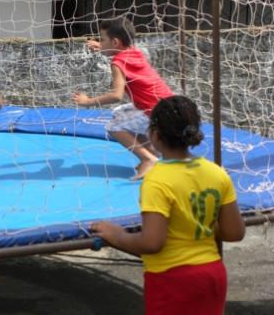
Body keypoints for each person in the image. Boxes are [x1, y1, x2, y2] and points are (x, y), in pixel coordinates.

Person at [91, 95, 245, 315]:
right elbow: (234, 232)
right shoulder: (216, 173)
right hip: (212, 274)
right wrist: (193, 227)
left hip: (172, 279)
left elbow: (152, 242)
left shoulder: (158, 180)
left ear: (153, 135)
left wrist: (116, 235)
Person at [72, 17, 173, 179]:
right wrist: (102, 47)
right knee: (119, 112)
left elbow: (116, 95)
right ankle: (152, 151)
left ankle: (148, 159)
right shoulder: (133, 51)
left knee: (114, 127)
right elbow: (118, 49)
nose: (100, 42)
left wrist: (88, 101)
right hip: (167, 105)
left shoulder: (117, 63)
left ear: (115, 42)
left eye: (102, 39)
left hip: (154, 111)